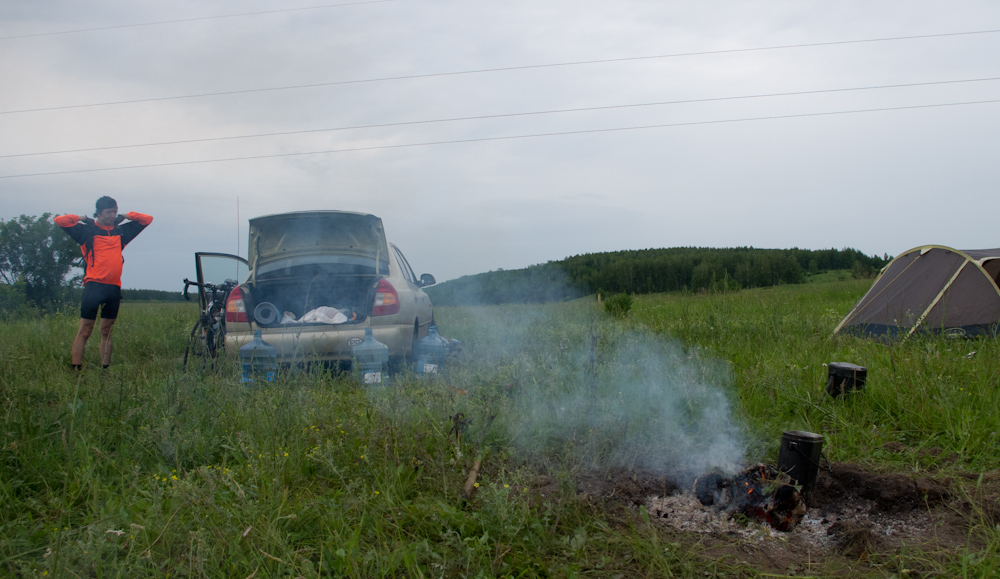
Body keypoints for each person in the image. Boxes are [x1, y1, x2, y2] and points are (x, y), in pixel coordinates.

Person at [55, 197, 153, 370]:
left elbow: (147, 219)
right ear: (99, 213)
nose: (112, 215)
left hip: (113, 288)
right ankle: (76, 369)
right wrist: (84, 219)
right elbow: (60, 220)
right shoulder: (87, 232)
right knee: (85, 330)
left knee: (107, 331)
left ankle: (105, 371)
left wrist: (125, 216)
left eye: (114, 212)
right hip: (94, 286)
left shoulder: (120, 232)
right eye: (108, 212)